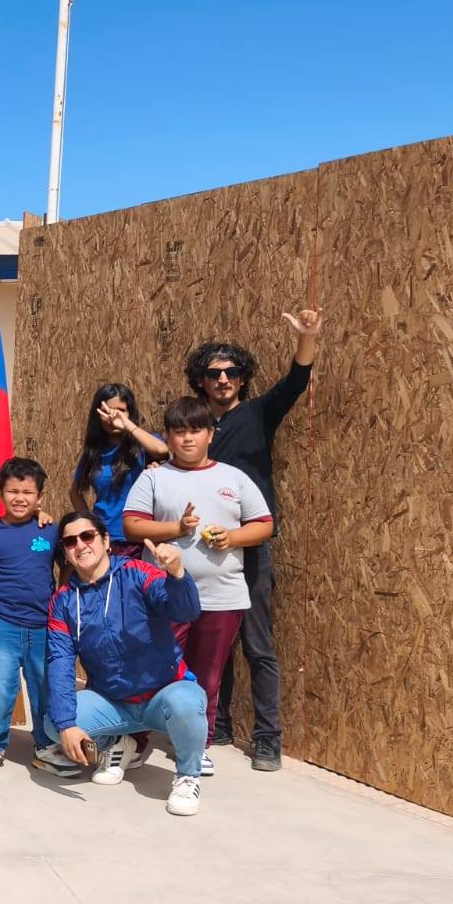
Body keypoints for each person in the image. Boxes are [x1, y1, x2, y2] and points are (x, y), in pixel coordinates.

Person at [189, 308, 324, 771]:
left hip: (250, 547)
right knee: (213, 642)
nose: (223, 378)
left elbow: (296, 380)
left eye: (231, 372)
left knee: (258, 645)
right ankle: (219, 722)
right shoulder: (196, 426)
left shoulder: (258, 413)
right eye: (213, 373)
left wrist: (306, 338)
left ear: (242, 379)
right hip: (205, 549)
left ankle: (268, 738)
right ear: (201, 381)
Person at [123, 396, 273, 774]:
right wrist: (177, 529)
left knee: (207, 676)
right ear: (169, 438)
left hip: (221, 596)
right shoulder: (154, 477)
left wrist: (232, 538)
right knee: (156, 669)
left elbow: (264, 524)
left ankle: (196, 745)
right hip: (164, 596)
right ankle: (137, 740)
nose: (187, 439)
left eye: (195, 431)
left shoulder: (234, 478)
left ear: (210, 434)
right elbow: (133, 525)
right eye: (178, 432)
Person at [46, 510, 207, 816]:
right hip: (114, 701)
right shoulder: (64, 601)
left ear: (106, 541)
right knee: (55, 722)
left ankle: (188, 776)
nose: (80, 545)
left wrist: (176, 573)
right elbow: (59, 663)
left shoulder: (138, 572)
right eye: (70, 542)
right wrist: (66, 725)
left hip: (163, 695)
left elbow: (185, 611)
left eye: (87, 536)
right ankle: (117, 743)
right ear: (65, 553)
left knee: (187, 703)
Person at [0, 456, 75, 777]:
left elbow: (67, 564)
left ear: (40, 497)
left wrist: (62, 597)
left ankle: (47, 746)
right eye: (13, 491)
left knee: (46, 689)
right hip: (1, 624)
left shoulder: (51, 530)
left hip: (43, 626)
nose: (20, 498)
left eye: (28, 493)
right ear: (1, 493)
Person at [68, 383, 169, 557]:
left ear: (130, 413)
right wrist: (90, 523)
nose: (113, 416)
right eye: (107, 410)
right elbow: (75, 491)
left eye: (121, 410)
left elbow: (162, 450)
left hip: (140, 538)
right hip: (106, 539)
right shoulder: (94, 451)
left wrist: (127, 426)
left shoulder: (141, 444)